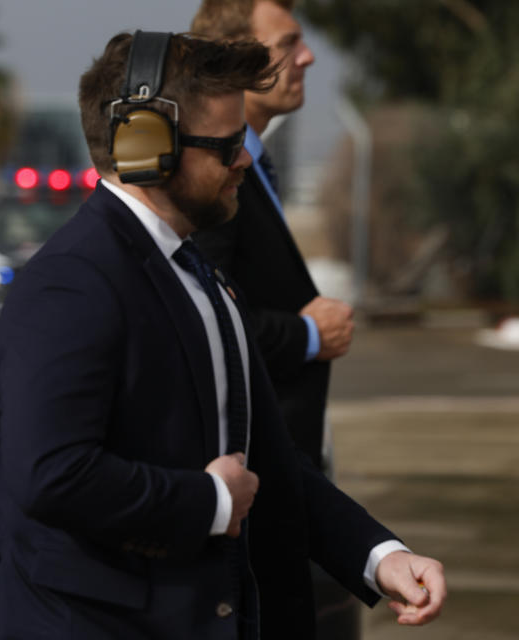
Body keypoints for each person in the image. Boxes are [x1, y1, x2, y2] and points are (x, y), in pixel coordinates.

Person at [0, 31, 445, 639]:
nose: (244, 158)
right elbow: (52, 474)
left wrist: (380, 556)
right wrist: (209, 503)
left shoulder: (197, 274)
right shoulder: (71, 283)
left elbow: (267, 463)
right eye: (227, 144)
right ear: (146, 147)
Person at [190, 0, 353, 469]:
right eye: (288, 44)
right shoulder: (217, 171)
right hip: (247, 472)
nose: (307, 57)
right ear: (231, 56)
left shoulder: (255, 159)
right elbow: (206, 315)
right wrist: (307, 334)